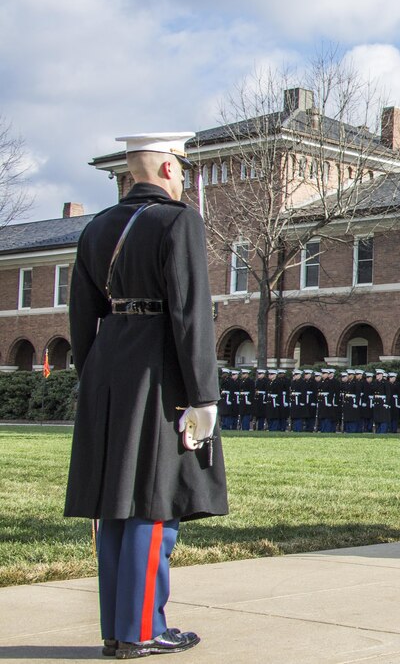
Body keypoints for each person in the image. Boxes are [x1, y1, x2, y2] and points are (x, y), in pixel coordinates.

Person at [65, 131, 227, 658]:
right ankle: (140, 630)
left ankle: (118, 627)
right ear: (164, 170)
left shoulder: (95, 229)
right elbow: (190, 313)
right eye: (181, 169)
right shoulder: (178, 221)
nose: (182, 179)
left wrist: (95, 381)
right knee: (153, 502)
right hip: (158, 371)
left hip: (107, 368)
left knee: (114, 504)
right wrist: (204, 394)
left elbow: (81, 318)